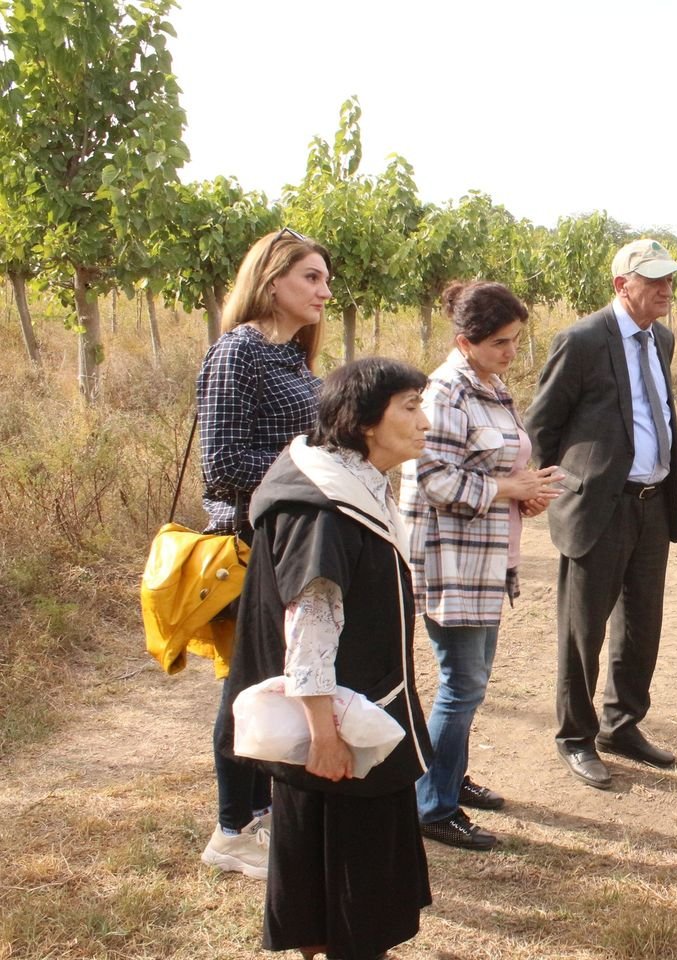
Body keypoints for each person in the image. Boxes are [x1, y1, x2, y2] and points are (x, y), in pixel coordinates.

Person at [218, 357, 436, 960]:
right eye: (411, 407)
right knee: (344, 875)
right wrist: (324, 735)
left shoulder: (351, 481)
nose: (425, 421)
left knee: (336, 869)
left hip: (355, 708)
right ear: (367, 422)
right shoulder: (324, 509)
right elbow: (309, 629)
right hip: (336, 724)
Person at [399, 280, 563, 850]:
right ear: (465, 340)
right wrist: (505, 487)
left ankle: (448, 776)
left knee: (470, 682)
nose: (511, 352)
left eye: (515, 340)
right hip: (451, 558)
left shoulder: (489, 385)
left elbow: (496, 466)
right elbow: (431, 477)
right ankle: (433, 805)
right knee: (461, 682)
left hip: (486, 556)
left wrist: (525, 493)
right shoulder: (445, 392)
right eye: (500, 342)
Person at [525, 238, 677, 789]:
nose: (666, 289)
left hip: (652, 503)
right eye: (655, 280)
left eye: (670, 280)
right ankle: (575, 736)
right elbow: (542, 426)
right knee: (583, 630)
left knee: (642, 624)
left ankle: (623, 724)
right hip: (598, 506)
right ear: (623, 285)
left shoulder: (661, 337)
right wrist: (542, 490)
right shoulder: (583, 340)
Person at [195, 227, 331, 879]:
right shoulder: (239, 352)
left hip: (288, 537)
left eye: (326, 279)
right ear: (271, 280)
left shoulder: (292, 356)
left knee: (274, 681)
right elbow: (221, 466)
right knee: (243, 687)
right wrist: (307, 472)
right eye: (310, 277)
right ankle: (229, 830)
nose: (323, 291)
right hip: (249, 542)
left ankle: (259, 813)